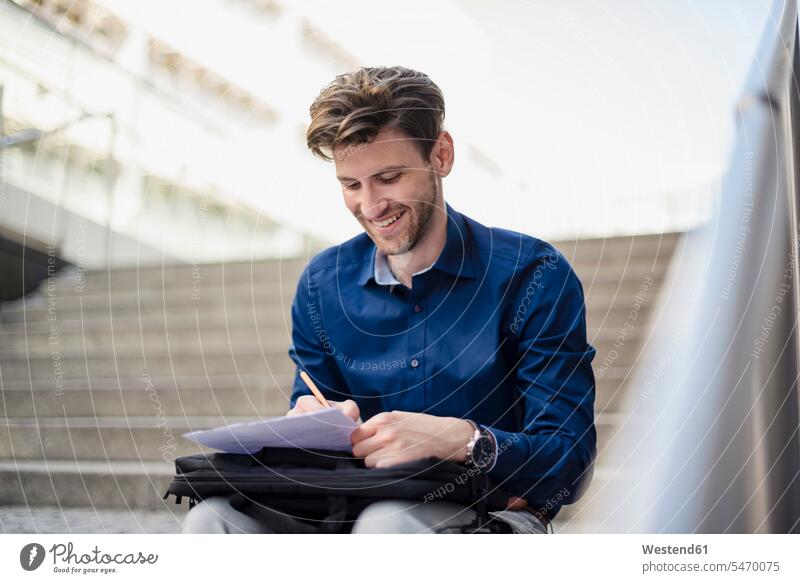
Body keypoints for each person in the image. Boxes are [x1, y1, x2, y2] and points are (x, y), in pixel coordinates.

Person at [183, 66, 596, 534]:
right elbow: (313, 410)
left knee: (386, 526)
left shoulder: (534, 275)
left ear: (441, 155)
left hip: (489, 510)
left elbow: (568, 460)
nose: (372, 205)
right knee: (209, 520)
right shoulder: (321, 285)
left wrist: (461, 439)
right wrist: (309, 426)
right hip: (356, 500)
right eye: (351, 185)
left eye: (389, 176)